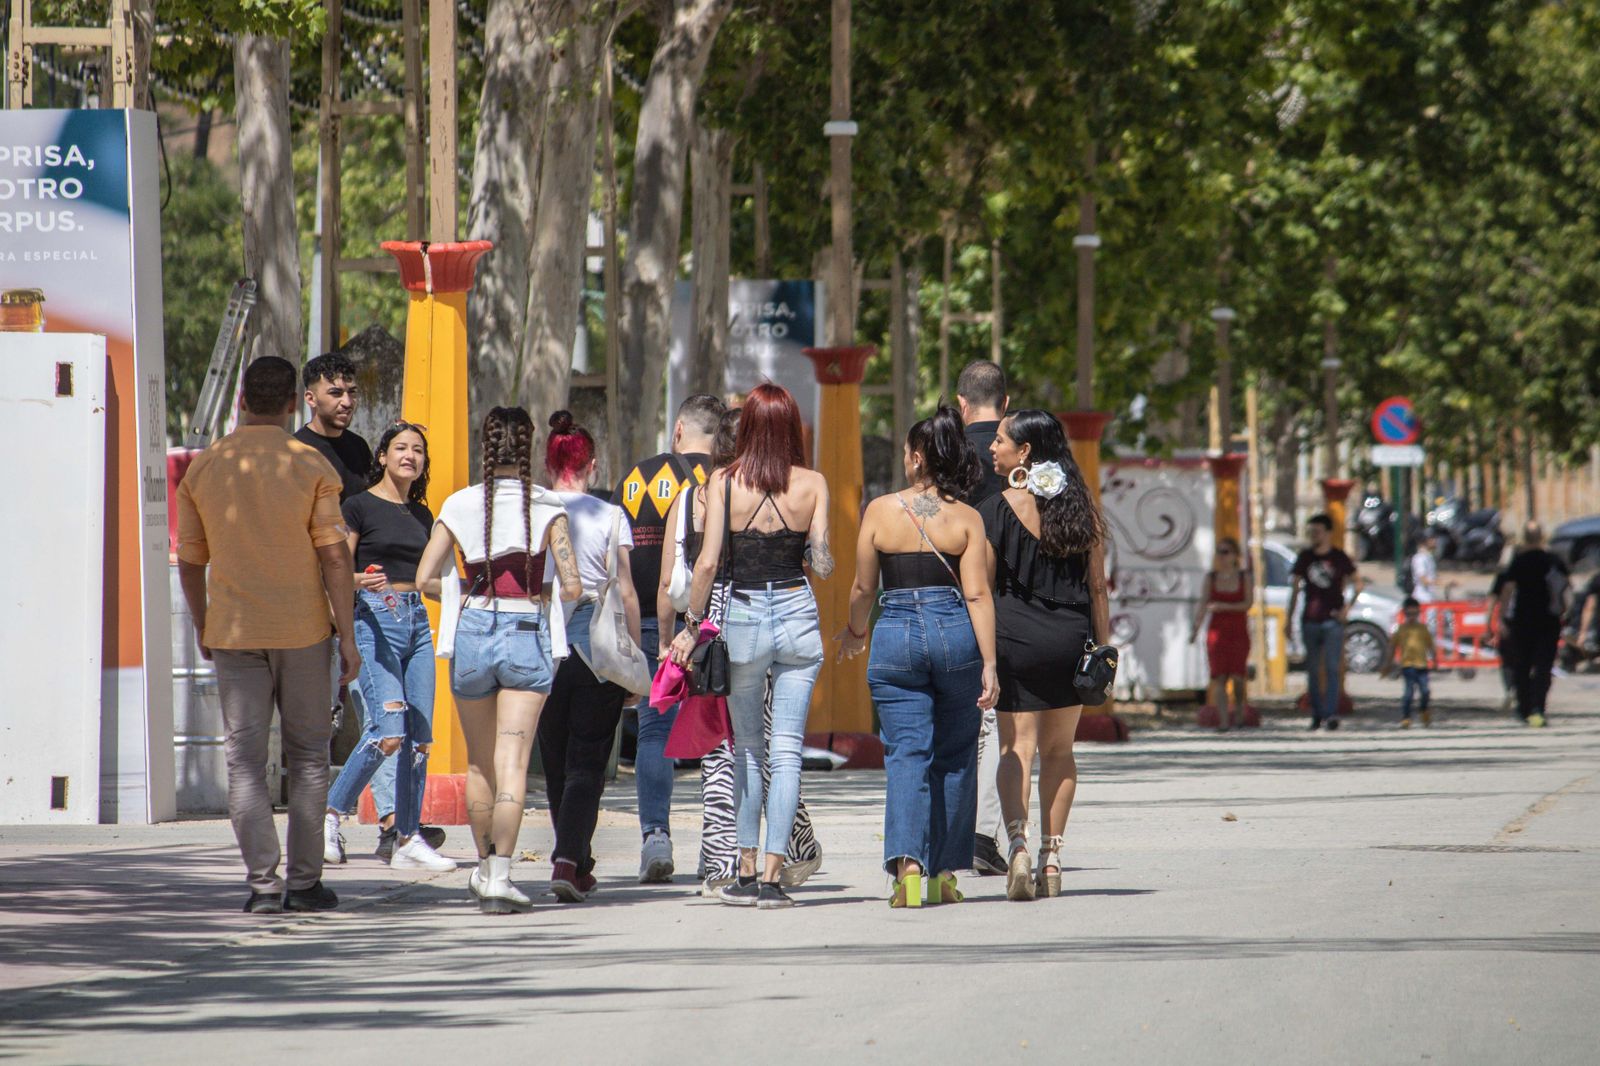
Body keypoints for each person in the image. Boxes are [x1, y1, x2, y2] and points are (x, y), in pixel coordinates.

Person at [175, 356, 360, 914]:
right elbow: (333, 557)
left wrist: (204, 621)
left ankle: (262, 887)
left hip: (234, 632)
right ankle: (304, 886)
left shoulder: (205, 468)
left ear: (241, 403)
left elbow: (189, 561)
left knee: (244, 762)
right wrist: (346, 635)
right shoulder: (310, 465)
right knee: (306, 758)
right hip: (304, 630)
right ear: (289, 405)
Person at [669, 383, 833, 910]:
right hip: (797, 613)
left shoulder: (723, 481)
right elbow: (824, 564)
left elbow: (709, 562)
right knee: (787, 751)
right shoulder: (813, 484)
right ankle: (773, 876)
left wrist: (692, 625)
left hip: (740, 618)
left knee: (745, 748)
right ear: (790, 427)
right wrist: (807, 540)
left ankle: (742, 869)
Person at [415, 406, 583, 913]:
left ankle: (483, 869)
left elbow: (426, 578)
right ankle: (502, 878)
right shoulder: (547, 504)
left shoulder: (460, 503)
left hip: (471, 629)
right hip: (526, 631)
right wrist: (539, 595)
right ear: (528, 448)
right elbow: (572, 585)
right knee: (513, 762)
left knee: (479, 763)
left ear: (483, 447)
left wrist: (468, 601)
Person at [841, 406, 999, 908]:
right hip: (956, 634)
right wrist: (990, 663)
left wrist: (854, 631)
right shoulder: (968, 519)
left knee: (907, 754)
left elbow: (865, 586)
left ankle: (908, 868)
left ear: (914, 458)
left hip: (895, 637)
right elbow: (978, 596)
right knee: (955, 758)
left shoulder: (879, 511)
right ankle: (944, 876)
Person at [982, 410, 1111, 902]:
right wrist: (1102, 651)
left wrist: (986, 656)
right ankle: (1052, 858)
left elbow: (985, 590)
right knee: (1061, 751)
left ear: (1025, 452)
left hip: (1016, 641)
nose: (993, 448)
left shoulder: (996, 509)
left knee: (1017, 749)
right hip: (1069, 641)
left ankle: (1016, 844)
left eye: (1000, 441)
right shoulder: (1082, 510)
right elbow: (1097, 588)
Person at [322, 423, 453, 873]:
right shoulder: (358, 506)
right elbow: (337, 569)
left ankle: (408, 838)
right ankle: (330, 815)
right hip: (373, 618)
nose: (410, 456)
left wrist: (463, 591)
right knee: (387, 732)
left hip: (417, 620)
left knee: (419, 741)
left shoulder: (423, 514)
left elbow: (428, 579)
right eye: (401, 448)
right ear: (382, 456)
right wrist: (361, 581)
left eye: (418, 449)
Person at [615, 393, 725, 883]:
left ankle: (655, 837)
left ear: (678, 429)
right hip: (713, 623)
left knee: (655, 731)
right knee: (719, 735)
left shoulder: (638, 477)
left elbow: (622, 552)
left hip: (648, 619)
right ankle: (716, 847)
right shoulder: (726, 481)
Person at [535, 411, 644, 903]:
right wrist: (635, 654)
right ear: (592, 465)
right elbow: (625, 589)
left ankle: (572, 858)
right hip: (595, 652)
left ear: (547, 462)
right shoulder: (609, 514)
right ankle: (570, 858)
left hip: (541, 649)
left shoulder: (534, 508)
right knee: (587, 761)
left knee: (556, 762)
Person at [954, 360, 1009, 877]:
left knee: (955, 721)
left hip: (945, 598)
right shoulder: (1023, 451)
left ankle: (943, 832)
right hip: (1009, 603)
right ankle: (984, 836)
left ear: (961, 404)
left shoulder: (946, 451)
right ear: (1006, 403)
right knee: (996, 723)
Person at [1287, 514, 1364, 731]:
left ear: (1328, 532)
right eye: (1311, 531)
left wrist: (1346, 609)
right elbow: (1294, 589)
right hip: (1310, 619)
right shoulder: (1305, 557)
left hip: (1332, 621)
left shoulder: (1339, 557)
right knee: (1311, 669)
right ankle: (1316, 713)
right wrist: (1289, 619)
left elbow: (1359, 583)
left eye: (1318, 531)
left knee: (1331, 668)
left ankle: (1330, 713)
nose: (1314, 535)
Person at [1494, 522, 1569, 728]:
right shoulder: (1553, 561)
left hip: (1522, 620)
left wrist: (1501, 618)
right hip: (1548, 620)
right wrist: (1564, 611)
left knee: (1522, 665)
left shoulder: (1519, 561)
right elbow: (1565, 588)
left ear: (1525, 538)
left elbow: (1507, 590)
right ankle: (1538, 708)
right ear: (1542, 536)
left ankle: (1524, 709)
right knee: (1544, 666)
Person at [1189, 536, 1253, 731]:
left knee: (1238, 677)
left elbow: (1248, 603)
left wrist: (1223, 606)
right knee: (1219, 677)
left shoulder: (1244, 577)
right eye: (1219, 552)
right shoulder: (1211, 578)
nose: (1221, 556)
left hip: (1238, 631)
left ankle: (1240, 709)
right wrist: (1196, 628)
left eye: (1226, 552)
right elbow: (1203, 603)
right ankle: (1224, 721)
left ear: (1235, 555)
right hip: (1217, 632)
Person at [294, 352, 372, 503]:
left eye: (352, 393)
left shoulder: (359, 447)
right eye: (336, 393)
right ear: (311, 399)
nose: (347, 402)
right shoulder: (295, 450)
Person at [1384, 597, 1437, 727]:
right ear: (1404, 614)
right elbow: (1392, 647)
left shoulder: (1423, 629)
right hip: (1407, 665)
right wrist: (1388, 663)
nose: (1412, 616)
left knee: (1425, 691)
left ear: (1419, 613)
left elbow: (1431, 645)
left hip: (1422, 665)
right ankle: (1406, 717)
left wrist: (1435, 660)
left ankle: (1424, 709)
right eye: (1409, 614)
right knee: (1408, 693)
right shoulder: (1401, 629)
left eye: (1415, 613)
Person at [1410, 532, 1441, 603]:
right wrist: (1442, 583)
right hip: (1422, 598)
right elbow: (1423, 580)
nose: (1435, 541)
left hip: (1429, 596)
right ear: (1425, 541)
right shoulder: (1420, 558)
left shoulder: (1428, 556)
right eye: (1432, 539)